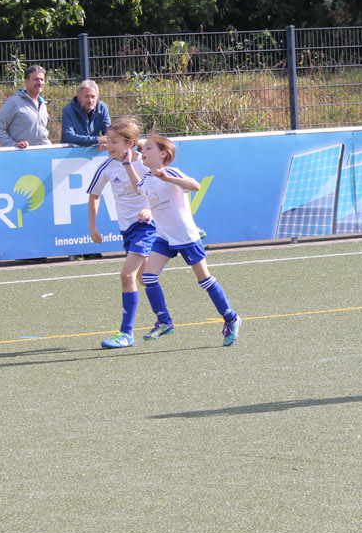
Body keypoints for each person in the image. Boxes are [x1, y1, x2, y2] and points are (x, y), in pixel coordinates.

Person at [134, 131, 242, 347]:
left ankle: (231, 318)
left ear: (163, 154)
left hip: (185, 236)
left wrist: (168, 178)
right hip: (164, 236)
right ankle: (164, 321)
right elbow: (139, 188)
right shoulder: (146, 179)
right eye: (143, 148)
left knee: (204, 280)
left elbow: (195, 186)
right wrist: (128, 160)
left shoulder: (171, 172)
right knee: (148, 277)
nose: (143, 152)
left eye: (148, 148)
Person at [87, 117, 156, 348]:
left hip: (146, 226)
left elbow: (160, 190)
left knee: (127, 275)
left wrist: (150, 209)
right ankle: (164, 318)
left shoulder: (145, 163)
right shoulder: (107, 167)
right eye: (108, 140)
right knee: (145, 279)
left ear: (130, 143)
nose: (108, 145)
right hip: (127, 229)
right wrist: (92, 226)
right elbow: (94, 196)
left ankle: (126, 333)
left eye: (114, 142)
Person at [0, 64, 50, 148]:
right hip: (21, 154)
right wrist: (13, 145)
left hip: (42, 153)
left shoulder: (43, 105)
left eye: (42, 80)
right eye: (36, 79)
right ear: (26, 82)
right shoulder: (14, 102)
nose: (40, 83)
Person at [60, 79, 110, 149]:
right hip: (72, 152)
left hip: (93, 151)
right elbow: (68, 137)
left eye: (93, 97)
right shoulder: (68, 110)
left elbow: (109, 132)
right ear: (79, 98)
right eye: (86, 96)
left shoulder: (102, 108)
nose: (90, 100)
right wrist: (97, 140)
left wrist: (106, 142)